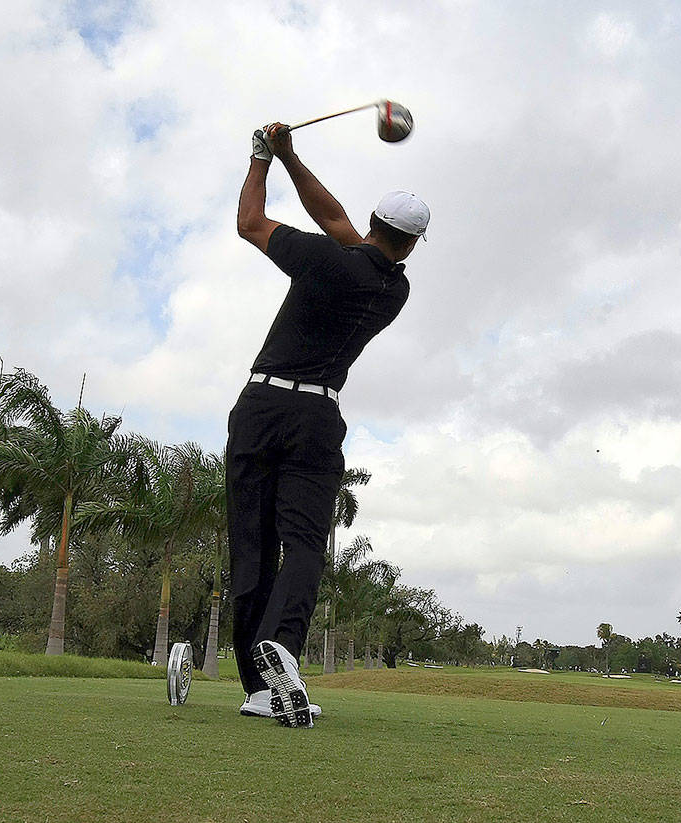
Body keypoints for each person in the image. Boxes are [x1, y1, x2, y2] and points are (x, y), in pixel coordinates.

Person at [229, 123, 429, 728]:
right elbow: (337, 222)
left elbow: (251, 222)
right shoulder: (395, 289)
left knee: (252, 545)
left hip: (259, 405)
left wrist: (263, 157)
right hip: (316, 414)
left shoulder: (323, 259)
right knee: (305, 543)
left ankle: (257, 687)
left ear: (372, 222)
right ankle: (282, 651)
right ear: (412, 245)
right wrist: (292, 157)